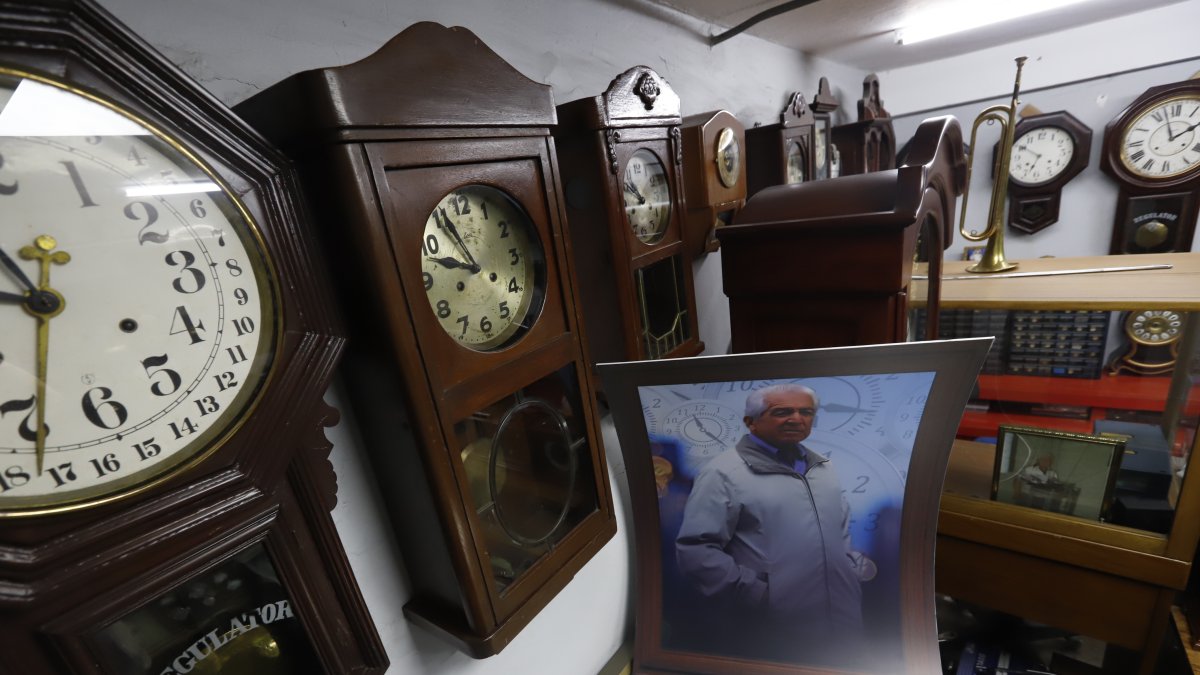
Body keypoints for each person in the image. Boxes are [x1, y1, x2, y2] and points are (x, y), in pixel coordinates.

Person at [674, 383, 872, 666]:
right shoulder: (723, 473)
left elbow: (839, 532)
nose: (796, 418)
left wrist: (849, 574)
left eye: (806, 411)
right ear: (750, 422)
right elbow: (695, 551)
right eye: (782, 412)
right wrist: (762, 597)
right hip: (771, 634)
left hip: (844, 625)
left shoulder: (823, 468)